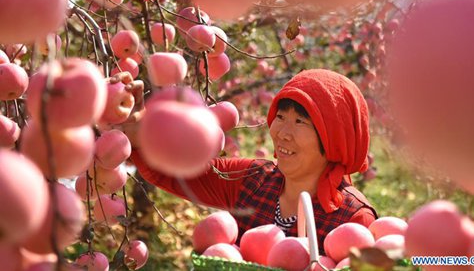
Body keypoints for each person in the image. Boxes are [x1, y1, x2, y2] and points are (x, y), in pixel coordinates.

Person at [127, 68, 377, 255]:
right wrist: (138, 126)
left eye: (300, 122)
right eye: (280, 116)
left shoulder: (353, 219)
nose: (282, 133)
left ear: (334, 138)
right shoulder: (253, 181)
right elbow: (177, 172)